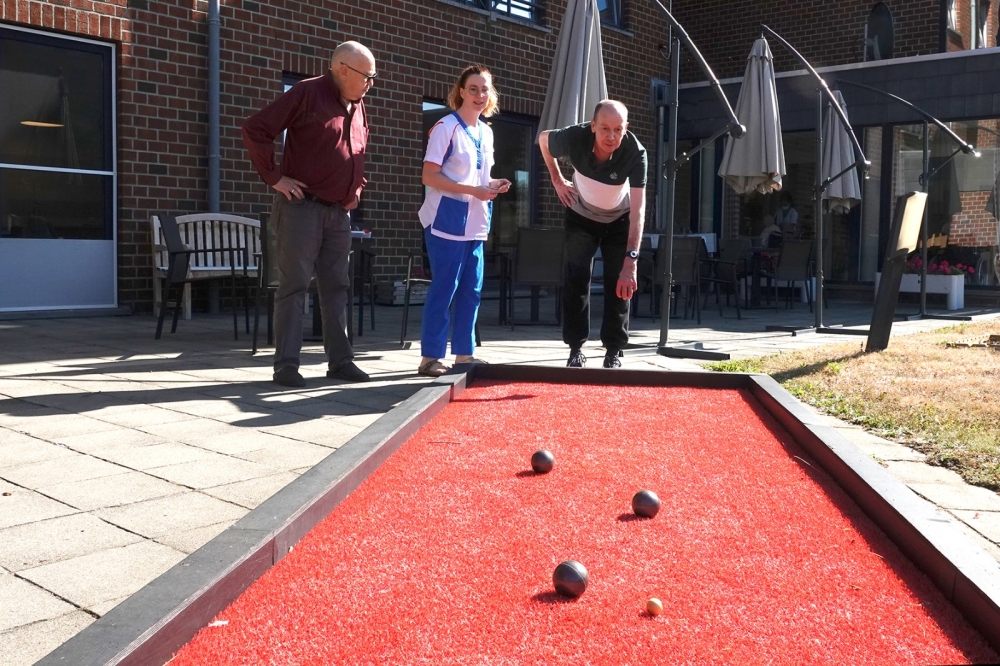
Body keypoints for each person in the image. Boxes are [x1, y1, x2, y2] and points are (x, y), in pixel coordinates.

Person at [242, 41, 376, 388]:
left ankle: (341, 362)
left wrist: (356, 190)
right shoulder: (307, 93)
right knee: (294, 287)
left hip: (338, 215)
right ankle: (286, 366)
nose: (370, 84)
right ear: (343, 69)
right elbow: (256, 129)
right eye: (367, 76)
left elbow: (356, 154)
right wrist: (274, 177)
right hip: (302, 208)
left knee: (337, 287)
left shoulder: (359, 106)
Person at [416, 65, 511, 377]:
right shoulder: (446, 127)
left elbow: (479, 175)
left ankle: (464, 355)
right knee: (445, 287)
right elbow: (429, 175)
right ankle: (430, 357)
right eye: (473, 89)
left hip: (475, 221)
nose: (479, 95)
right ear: (460, 91)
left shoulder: (487, 131)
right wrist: (474, 189)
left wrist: (493, 184)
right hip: (445, 219)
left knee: (471, 288)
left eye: (484, 89)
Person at [538, 100, 647, 369]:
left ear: (626, 129)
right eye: (605, 129)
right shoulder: (574, 137)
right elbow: (542, 139)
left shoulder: (635, 152)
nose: (611, 137)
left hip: (619, 220)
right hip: (581, 216)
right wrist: (556, 180)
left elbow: (638, 210)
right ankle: (575, 349)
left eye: (618, 130)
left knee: (618, 282)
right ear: (592, 126)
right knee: (577, 279)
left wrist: (631, 260)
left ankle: (613, 351)